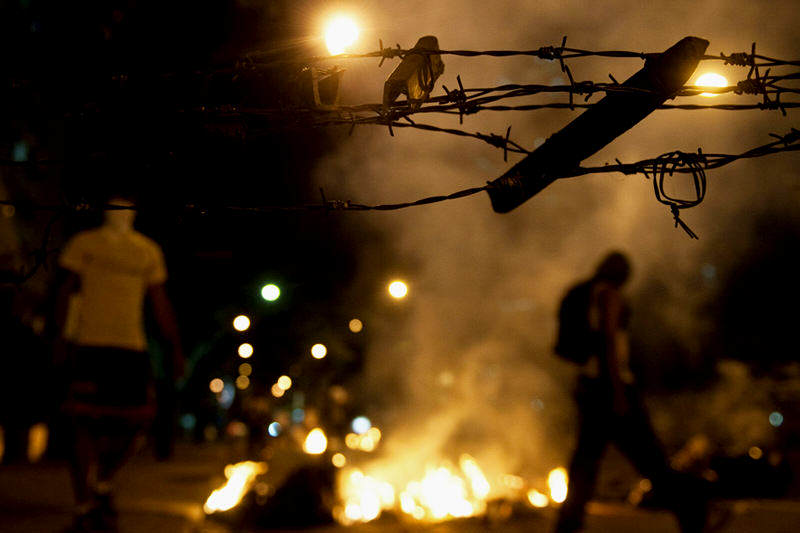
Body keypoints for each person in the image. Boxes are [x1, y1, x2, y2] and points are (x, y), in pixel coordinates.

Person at [553, 251, 709, 533]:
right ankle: (691, 512)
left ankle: (568, 525)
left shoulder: (586, 293)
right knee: (650, 460)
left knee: (585, 464)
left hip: (591, 387)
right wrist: (619, 392)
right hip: (611, 387)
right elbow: (609, 342)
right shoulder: (609, 295)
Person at [55, 196, 183, 532]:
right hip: (89, 345)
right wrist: (58, 339)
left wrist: (174, 348)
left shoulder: (147, 250)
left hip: (130, 347)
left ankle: (103, 482)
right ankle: (84, 504)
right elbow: (65, 291)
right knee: (80, 421)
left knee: (137, 421)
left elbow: (160, 301)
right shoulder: (84, 244)